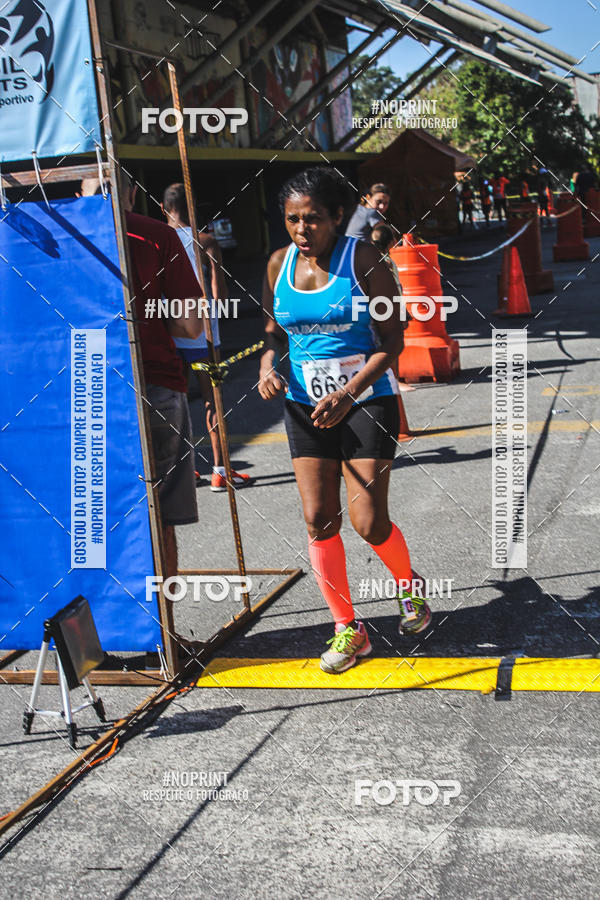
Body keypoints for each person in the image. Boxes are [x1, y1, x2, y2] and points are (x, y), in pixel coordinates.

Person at [258, 167, 432, 675]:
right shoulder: (277, 264)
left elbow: (392, 343)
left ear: (337, 216)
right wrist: (270, 367)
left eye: (312, 219)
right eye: (292, 220)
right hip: (303, 404)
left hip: (365, 398)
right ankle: (347, 628)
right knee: (318, 519)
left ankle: (411, 588)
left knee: (368, 521)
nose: (301, 230)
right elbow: (274, 334)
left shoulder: (365, 261)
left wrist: (348, 392)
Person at [81, 174, 203, 582]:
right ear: (132, 193)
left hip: (81, 393)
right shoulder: (158, 236)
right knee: (158, 514)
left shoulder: (59, 241)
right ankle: (162, 633)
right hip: (154, 385)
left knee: (91, 517)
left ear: (80, 195)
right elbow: (190, 327)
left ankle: (96, 633)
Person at [162, 183, 251, 492]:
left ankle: (183, 470)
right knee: (213, 400)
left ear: (163, 209)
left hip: (170, 330)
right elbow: (219, 290)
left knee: (173, 400)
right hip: (204, 334)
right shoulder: (206, 241)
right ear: (193, 207)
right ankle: (220, 470)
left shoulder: (157, 239)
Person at [370, 224, 415, 394]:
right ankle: (395, 380)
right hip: (388, 309)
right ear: (392, 243)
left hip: (373, 309)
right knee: (392, 344)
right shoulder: (387, 262)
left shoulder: (368, 261)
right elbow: (394, 289)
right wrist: (402, 311)